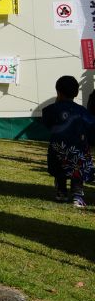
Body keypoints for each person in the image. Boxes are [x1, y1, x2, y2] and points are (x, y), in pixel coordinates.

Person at [41, 75, 95, 207]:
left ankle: (61, 193)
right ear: (76, 93)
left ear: (58, 92)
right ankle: (77, 197)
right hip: (77, 148)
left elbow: (47, 123)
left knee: (60, 169)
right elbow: (91, 125)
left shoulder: (50, 109)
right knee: (77, 171)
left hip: (58, 147)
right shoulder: (81, 111)